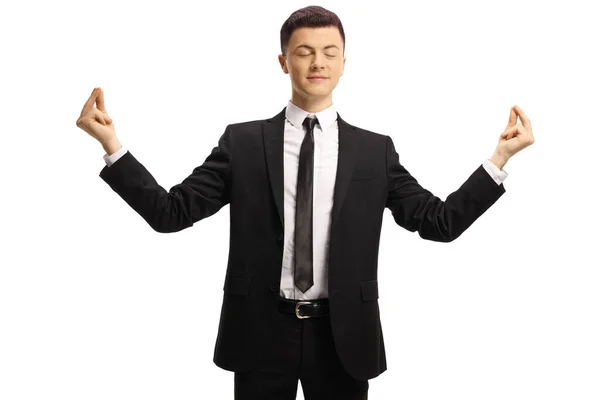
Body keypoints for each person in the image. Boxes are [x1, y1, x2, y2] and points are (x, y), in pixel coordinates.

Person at [75, 5, 534, 400]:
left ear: (344, 62)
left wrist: (500, 158)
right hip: (259, 333)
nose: (318, 62)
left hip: (343, 337)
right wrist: (111, 145)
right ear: (283, 61)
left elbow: (440, 222)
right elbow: (170, 213)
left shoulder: (375, 151)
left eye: (329, 52)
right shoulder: (243, 143)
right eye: (304, 51)